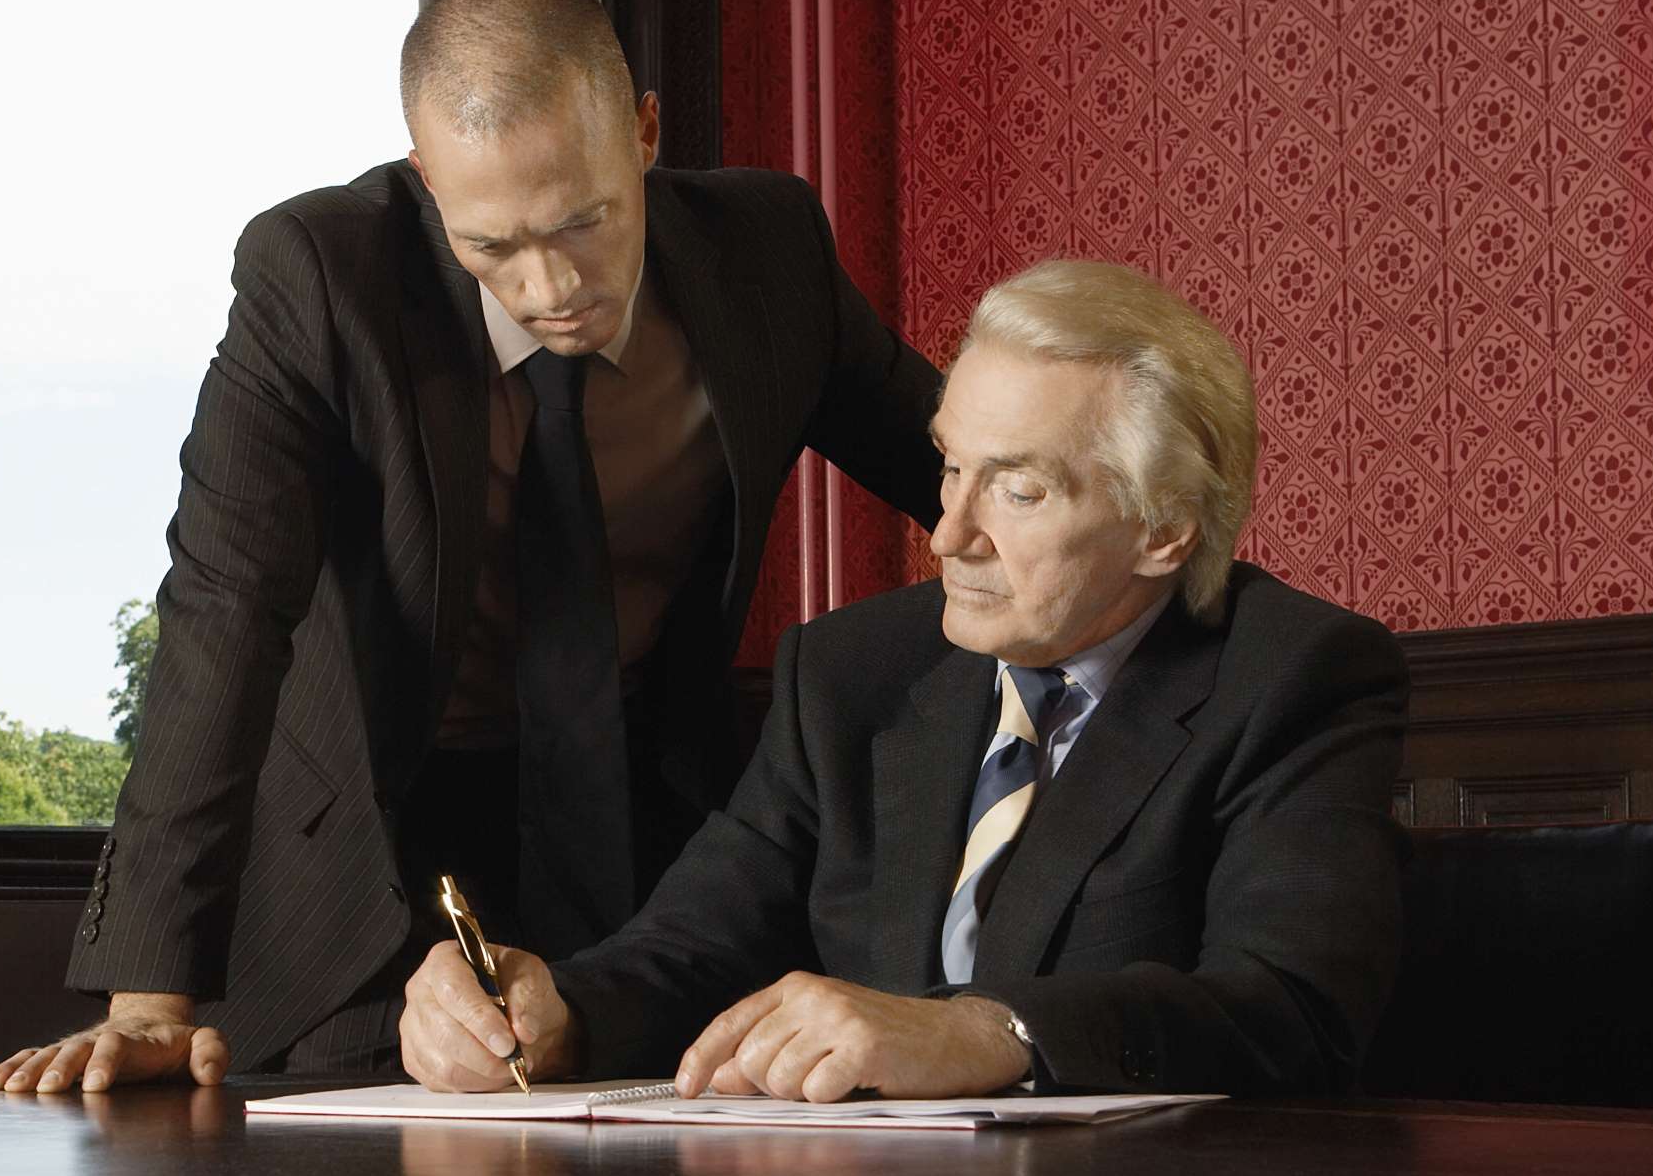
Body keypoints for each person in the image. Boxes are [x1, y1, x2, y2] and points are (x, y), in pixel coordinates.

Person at [0, 0, 945, 1093]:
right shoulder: (317, 278)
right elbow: (223, 611)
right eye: (491, 244)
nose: (551, 287)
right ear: (424, 178)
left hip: (659, 835)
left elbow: (967, 470)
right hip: (379, 846)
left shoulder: (766, 253)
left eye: (584, 224)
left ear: (643, 132)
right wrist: (149, 998)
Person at [399, 260, 1407, 1103]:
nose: (950, 534)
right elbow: (690, 947)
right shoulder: (850, 673)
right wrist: (548, 1012)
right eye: (949, 466)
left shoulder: (1294, 678)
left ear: (1164, 528)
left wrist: (987, 1032)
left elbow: (1292, 1008)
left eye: (1019, 488)